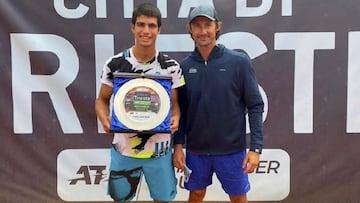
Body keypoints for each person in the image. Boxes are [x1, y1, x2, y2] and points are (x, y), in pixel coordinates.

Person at [173, 4, 264, 203]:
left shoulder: (238, 62)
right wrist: (178, 146)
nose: (203, 31)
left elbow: (255, 105)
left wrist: (255, 149)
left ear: (218, 26)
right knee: (196, 194)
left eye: (208, 24)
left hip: (232, 151)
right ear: (190, 29)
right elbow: (181, 111)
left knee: (238, 197)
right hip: (196, 151)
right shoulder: (184, 67)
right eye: (197, 25)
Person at [95, 3, 185, 203]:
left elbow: (175, 104)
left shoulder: (171, 67)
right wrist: (104, 118)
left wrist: (176, 115)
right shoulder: (115, 64)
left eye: (152, 26)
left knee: (162, 200)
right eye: (141, 25)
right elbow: (101, 100)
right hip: (124, 150)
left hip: (160, 151)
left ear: (159, 29)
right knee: (122, 200)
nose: (146, 31)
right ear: (132, 27)